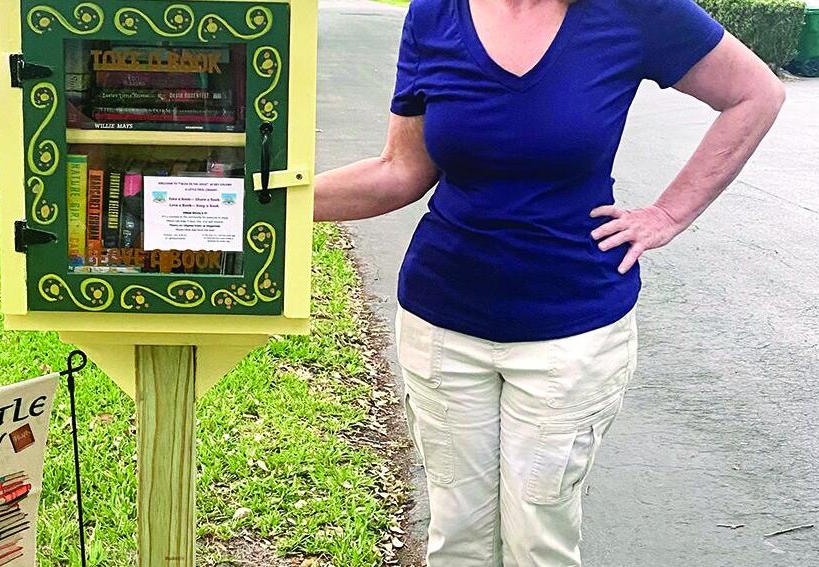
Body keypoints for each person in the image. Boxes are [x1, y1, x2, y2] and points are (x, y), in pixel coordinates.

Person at [312, 0, 784, 564]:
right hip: (441, 325)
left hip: (571, 334)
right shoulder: (434, 14)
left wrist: (669, 214)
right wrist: (261, 202)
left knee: (540, 540)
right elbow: (401, 170)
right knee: (458, 536)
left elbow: (755, 93)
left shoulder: (635, 11)